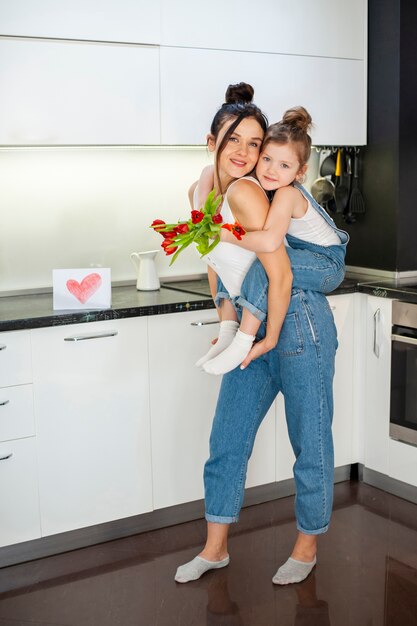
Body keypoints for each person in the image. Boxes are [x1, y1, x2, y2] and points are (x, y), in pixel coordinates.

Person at [175, 82, 348, 586]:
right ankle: (214, 549)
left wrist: (257, 334)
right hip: (261, 319)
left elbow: (281, 271)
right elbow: (217, 262)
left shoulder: (256, 192)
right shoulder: (203, 189)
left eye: (255, 144)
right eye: (236, 141)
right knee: (227, 437)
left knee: (309, 440)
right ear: (212, 142)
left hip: (296, 321)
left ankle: (307, 545)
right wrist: (225, 319)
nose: (247, 154)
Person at [195, 106, 345, 375]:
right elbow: (217, 261)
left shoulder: (284, 193)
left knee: (260, 268)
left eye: (284, 165)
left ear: (300, 172)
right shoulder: (247, 187)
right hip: (299, 272)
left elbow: (269, 243)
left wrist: (227, 235)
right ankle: (231, 334)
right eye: (266, 159)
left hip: (326, 262)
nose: (271, 170)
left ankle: (242, 341)